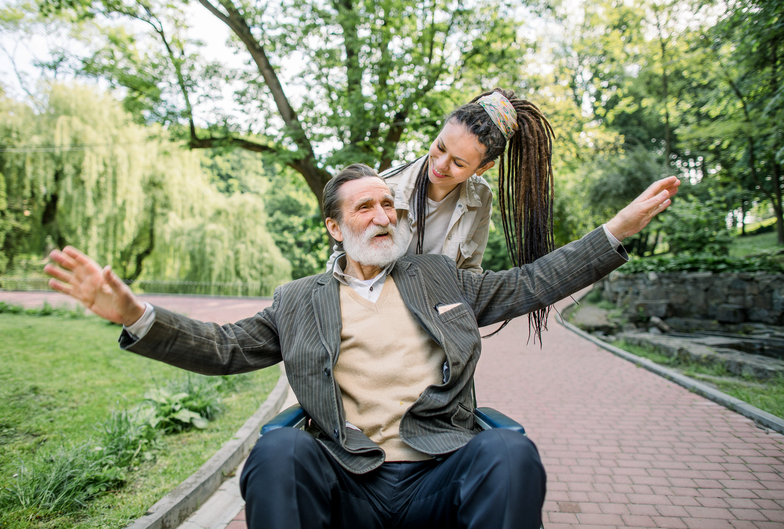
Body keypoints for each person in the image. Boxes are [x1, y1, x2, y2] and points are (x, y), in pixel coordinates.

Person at [44, 164, 680, 529]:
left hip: (438, 469)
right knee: (279, 451)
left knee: (509, 453)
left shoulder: (439, 277)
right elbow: (223, 348)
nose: (384, 216)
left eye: (390, 205)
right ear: (334, 225)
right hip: (347, 478)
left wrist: (615, 231)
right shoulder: (299, 299)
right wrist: (134, 314)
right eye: (366, 207)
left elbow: (530, 283)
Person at [329, 88, 555, 335]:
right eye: (440, 146)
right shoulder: (386, 188)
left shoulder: (480, 197)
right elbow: (343, 263)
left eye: (458, 163)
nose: (441, 164)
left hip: (437, 326)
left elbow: (469, 272)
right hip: (377, 321)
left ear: (483, 167)